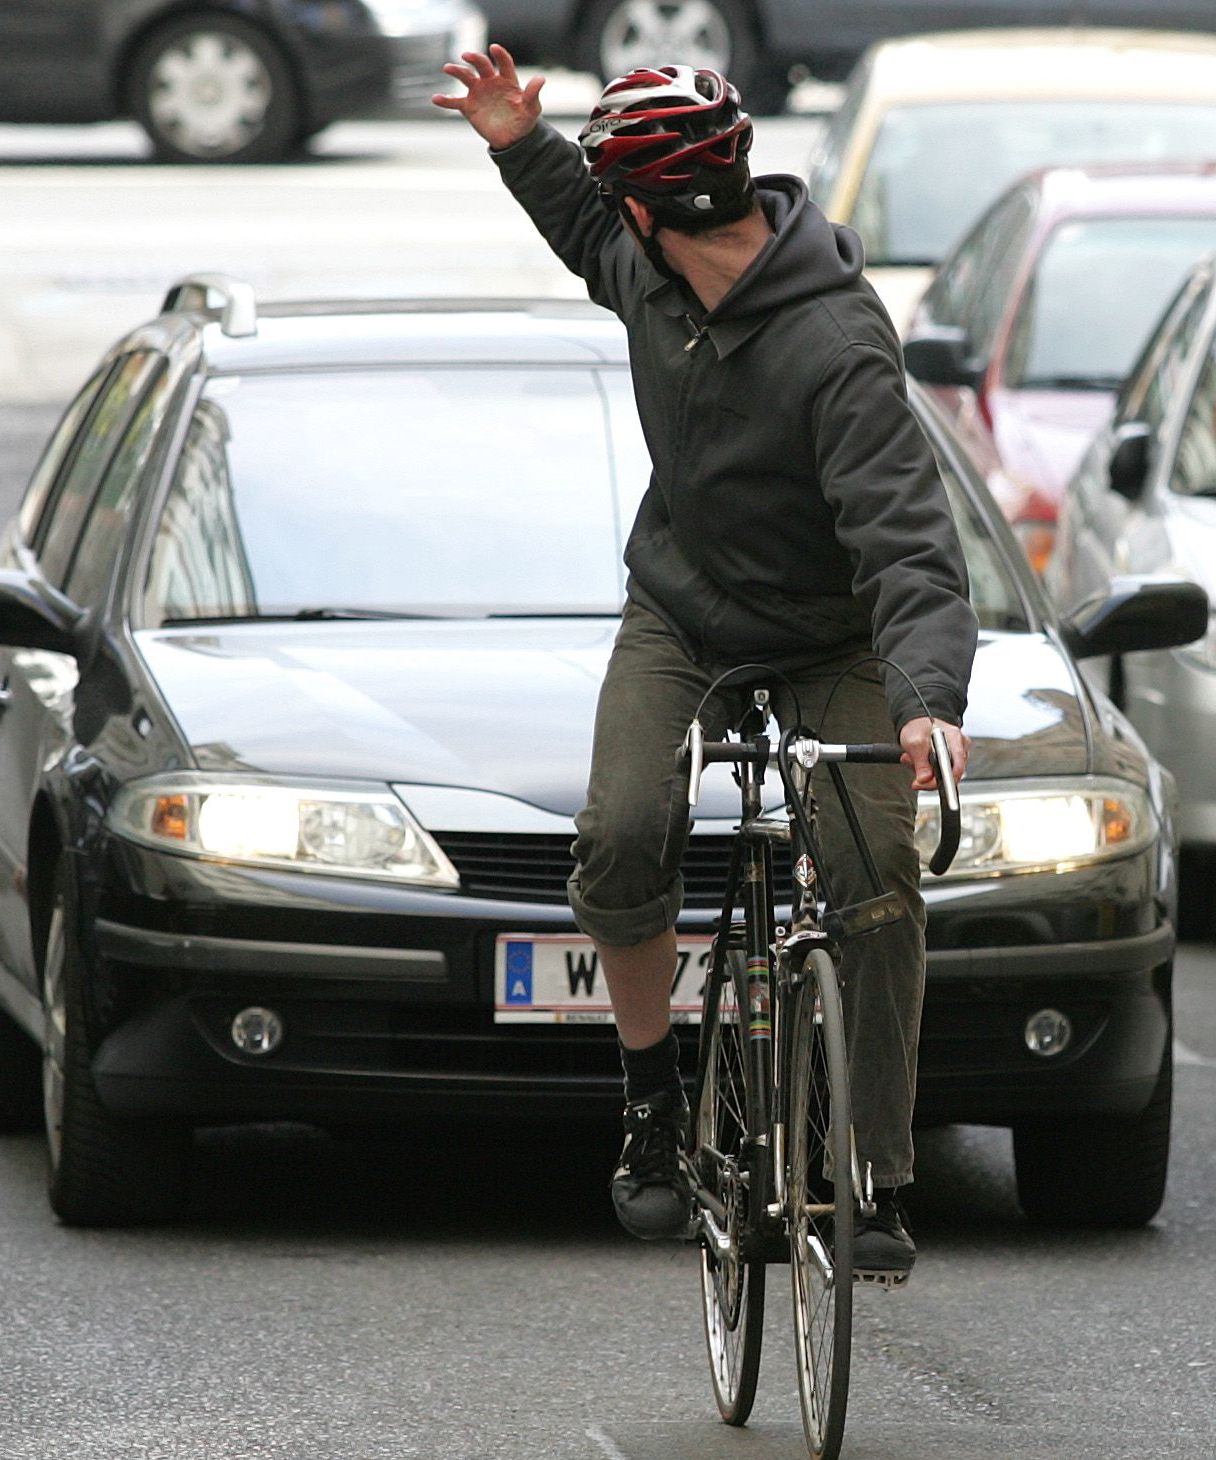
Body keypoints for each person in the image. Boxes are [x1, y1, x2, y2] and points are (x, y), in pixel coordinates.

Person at [435, 48, 976, 1279]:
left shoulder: (837, 344)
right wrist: (518, 139)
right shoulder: (646, 264)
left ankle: (877, 1171)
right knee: (622, 830)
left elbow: (907, 539)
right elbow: (580, 218)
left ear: (656, 204)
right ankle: (649, 1105)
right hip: (681, 615)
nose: (610, 215)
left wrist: (925, 701)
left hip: (833, 635)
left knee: (876, 865)